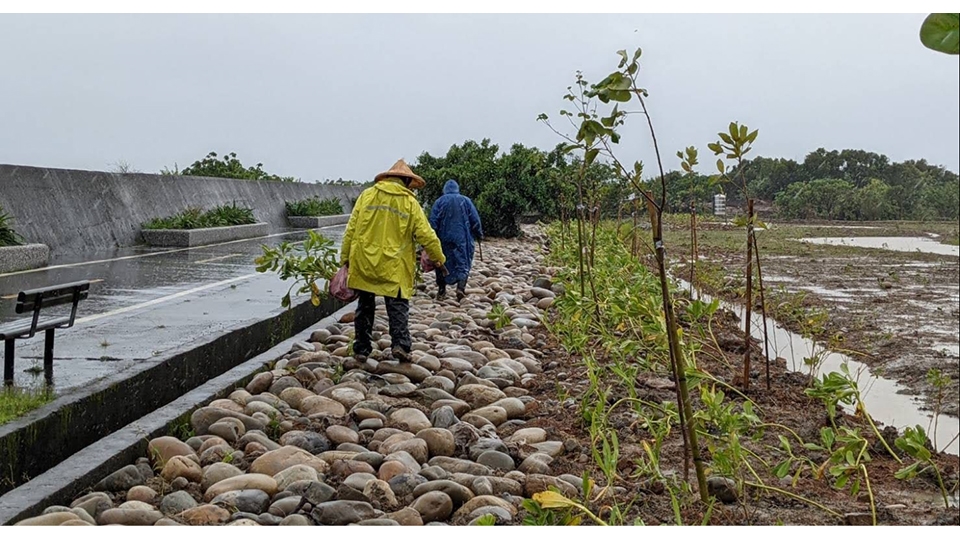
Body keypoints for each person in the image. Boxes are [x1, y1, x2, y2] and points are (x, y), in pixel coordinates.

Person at [340, 159, 447, 362]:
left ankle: (362, 347)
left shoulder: (367, 195)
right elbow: (426, 235)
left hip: (364, 261)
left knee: (365, 305)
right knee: (397, 305)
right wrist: (438, 258)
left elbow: (350, 230)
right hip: (394, 265)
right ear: (407, 181)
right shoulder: (409, 203)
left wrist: (345, 259)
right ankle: (400, 345)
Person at [428, 179, 483, 301]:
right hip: (462, 237)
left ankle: (442, 290)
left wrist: (430, 239)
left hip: (443, 238)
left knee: (441, 261)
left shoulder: (439, 201)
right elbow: (475, 220)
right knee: (463, 261)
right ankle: (460, 288)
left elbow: (433, 221)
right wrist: (479, 234)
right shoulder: (466, 201)